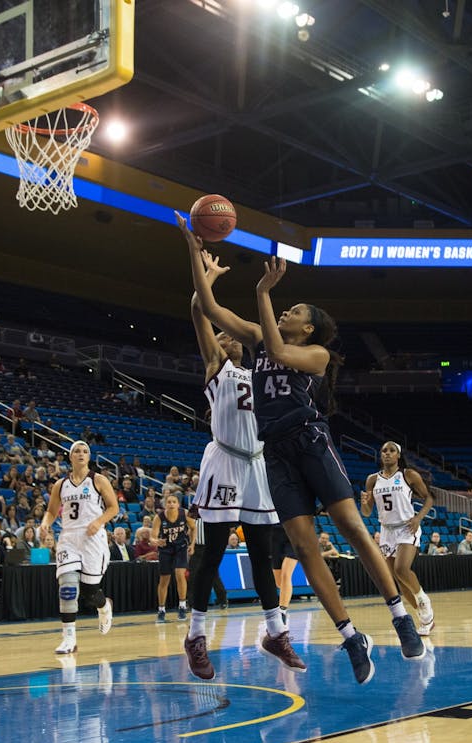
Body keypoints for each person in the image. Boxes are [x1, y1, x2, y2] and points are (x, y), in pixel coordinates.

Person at [182, 213, 424, 684]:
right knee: (306, 550)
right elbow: (209, 308)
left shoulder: (316, 356)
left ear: (309, 329)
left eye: (296, 310)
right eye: (285, 307)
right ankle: (351, 636)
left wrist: (263, 294)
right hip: (274, 454)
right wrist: (193, 252)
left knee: (353, 529)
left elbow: (275, 346)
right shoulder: (252, 342)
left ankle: (400, 616)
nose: (288, 312)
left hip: (311, 442)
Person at [183, 269, 303, 680]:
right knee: (211, 552)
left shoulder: (259, 372)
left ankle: (276, 632)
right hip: (225, 461)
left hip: (257, 466)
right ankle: (196, 636)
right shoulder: (216, 366)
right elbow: (200, 309)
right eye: (221, 335)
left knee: (262, 556)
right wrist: (206, 280)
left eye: (231, 335)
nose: (227, 337)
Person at [39, 441, 117, 655]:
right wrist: (45, 524)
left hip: (93, 538)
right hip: (69, 537)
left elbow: (114, 507)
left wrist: (99, 521)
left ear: (89, 457)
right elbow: (52, 511)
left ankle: (104, 606)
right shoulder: (60, 484)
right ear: (70, 456)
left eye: (85, 451)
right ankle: (69, 639)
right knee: (67, 588)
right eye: (77, 451)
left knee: (90, 592)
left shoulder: (98, 480)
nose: (81, 454)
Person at [361, 441, 436, 635]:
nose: (387, 453)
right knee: (398, 578)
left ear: (398, 456)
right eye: (384, 450)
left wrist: (419, 518)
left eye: (391, 451)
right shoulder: (372, 480)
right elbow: (367, 512)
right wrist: (365, 503)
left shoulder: (408, 475)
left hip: (406, 527)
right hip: (386, 530)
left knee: (401, 569)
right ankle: (423, 617)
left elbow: (429, 497)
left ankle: (423, 599)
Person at [151, 493, 194, 623]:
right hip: (165, 549)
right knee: (164, 579)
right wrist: (156, 541)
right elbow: (152, 537)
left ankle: (182, 606)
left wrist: (192, 544)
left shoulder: (185, 514)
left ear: (178, 504)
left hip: (181, 547)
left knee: (180, 574)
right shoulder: (159, 518)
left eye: (173, 502)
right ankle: (161, 609)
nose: (171, 504)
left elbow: (193, 527)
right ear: (165, 504)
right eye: (168, 502)